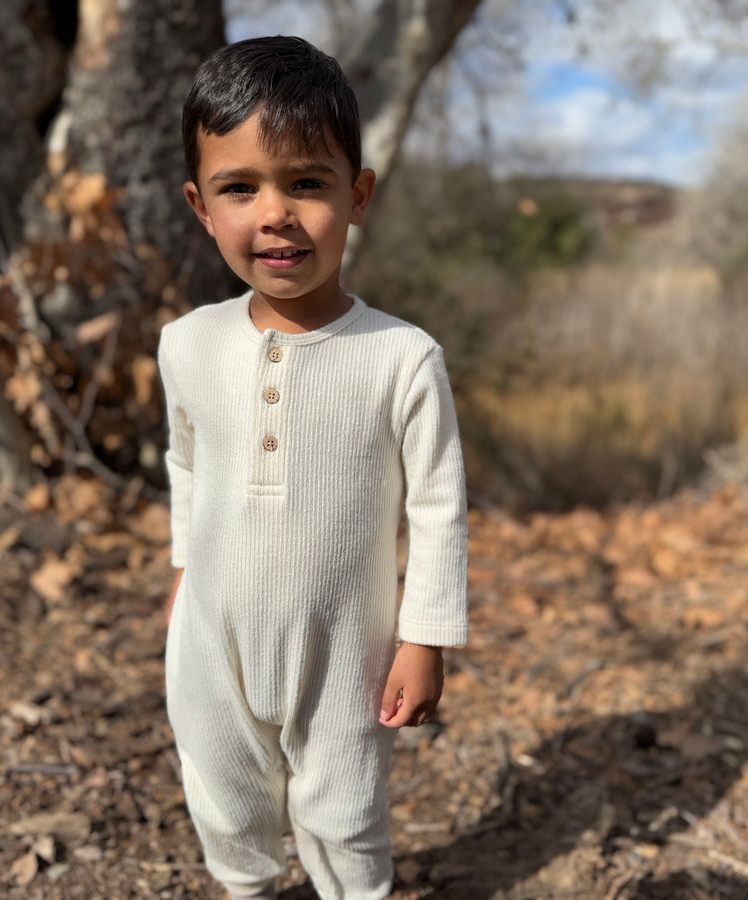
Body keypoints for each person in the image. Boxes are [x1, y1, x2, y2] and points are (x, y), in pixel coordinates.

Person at [156, 35, 469, 900]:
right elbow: (187, 463)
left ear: (356, 193)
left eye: (306, 182)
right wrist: (183, 566)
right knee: (225, 804)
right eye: (239, 188)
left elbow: (439, 506)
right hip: (211, 635)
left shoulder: (402, 357)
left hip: (347, 646)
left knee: (343, 816)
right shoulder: (186, 345)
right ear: (199, 204)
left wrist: (425, 636)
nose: (275, 214)